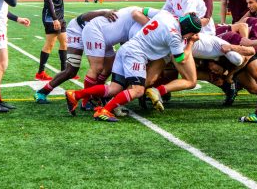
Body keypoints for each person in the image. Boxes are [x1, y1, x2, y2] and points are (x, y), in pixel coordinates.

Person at [65, 11, 202, 122]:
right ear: (189, 31)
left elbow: (144, 11)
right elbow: (181, 60)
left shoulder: (166, 14)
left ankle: (75, 94)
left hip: (127, 48)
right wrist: (190, 43)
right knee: (138, 90)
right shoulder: (175, 37)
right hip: (135, 54)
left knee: (114, 88)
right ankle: (104, 110)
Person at [33, 9, 117, 104]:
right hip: (78, 29)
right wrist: (103, 13)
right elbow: (83, 17)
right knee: (72, 70)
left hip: (100, 34)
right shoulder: (119, 17)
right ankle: (42, 92)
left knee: (110, 66)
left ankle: (96, 94)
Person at [35, 0, 87, 81]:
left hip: (60, 17)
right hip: (51, 18)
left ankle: (65, 72)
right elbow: (48, 1)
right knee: (50, 44)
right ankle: (40, 73)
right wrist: (54, 19)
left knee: (65, 43)